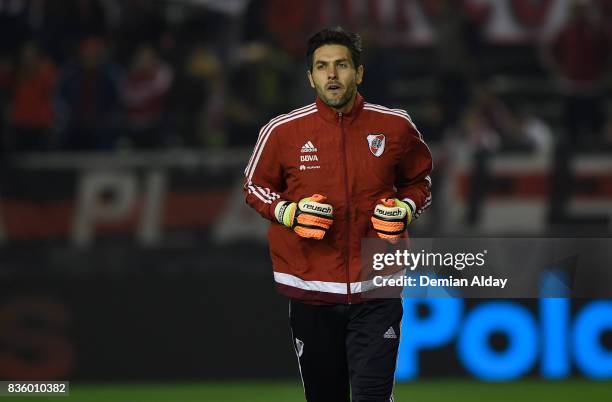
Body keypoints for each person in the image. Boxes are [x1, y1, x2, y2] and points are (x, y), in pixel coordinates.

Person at [243, 27, 432, 402]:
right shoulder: (282, 131)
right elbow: (253, 186)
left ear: (359, 73)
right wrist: (288, 212)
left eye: (341, 65)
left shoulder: (395, 126)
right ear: (310, 76)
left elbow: (419, 180)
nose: (332, 75)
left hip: (378, 288)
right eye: (322, 67)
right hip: (311, 291)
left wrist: (406, 208)